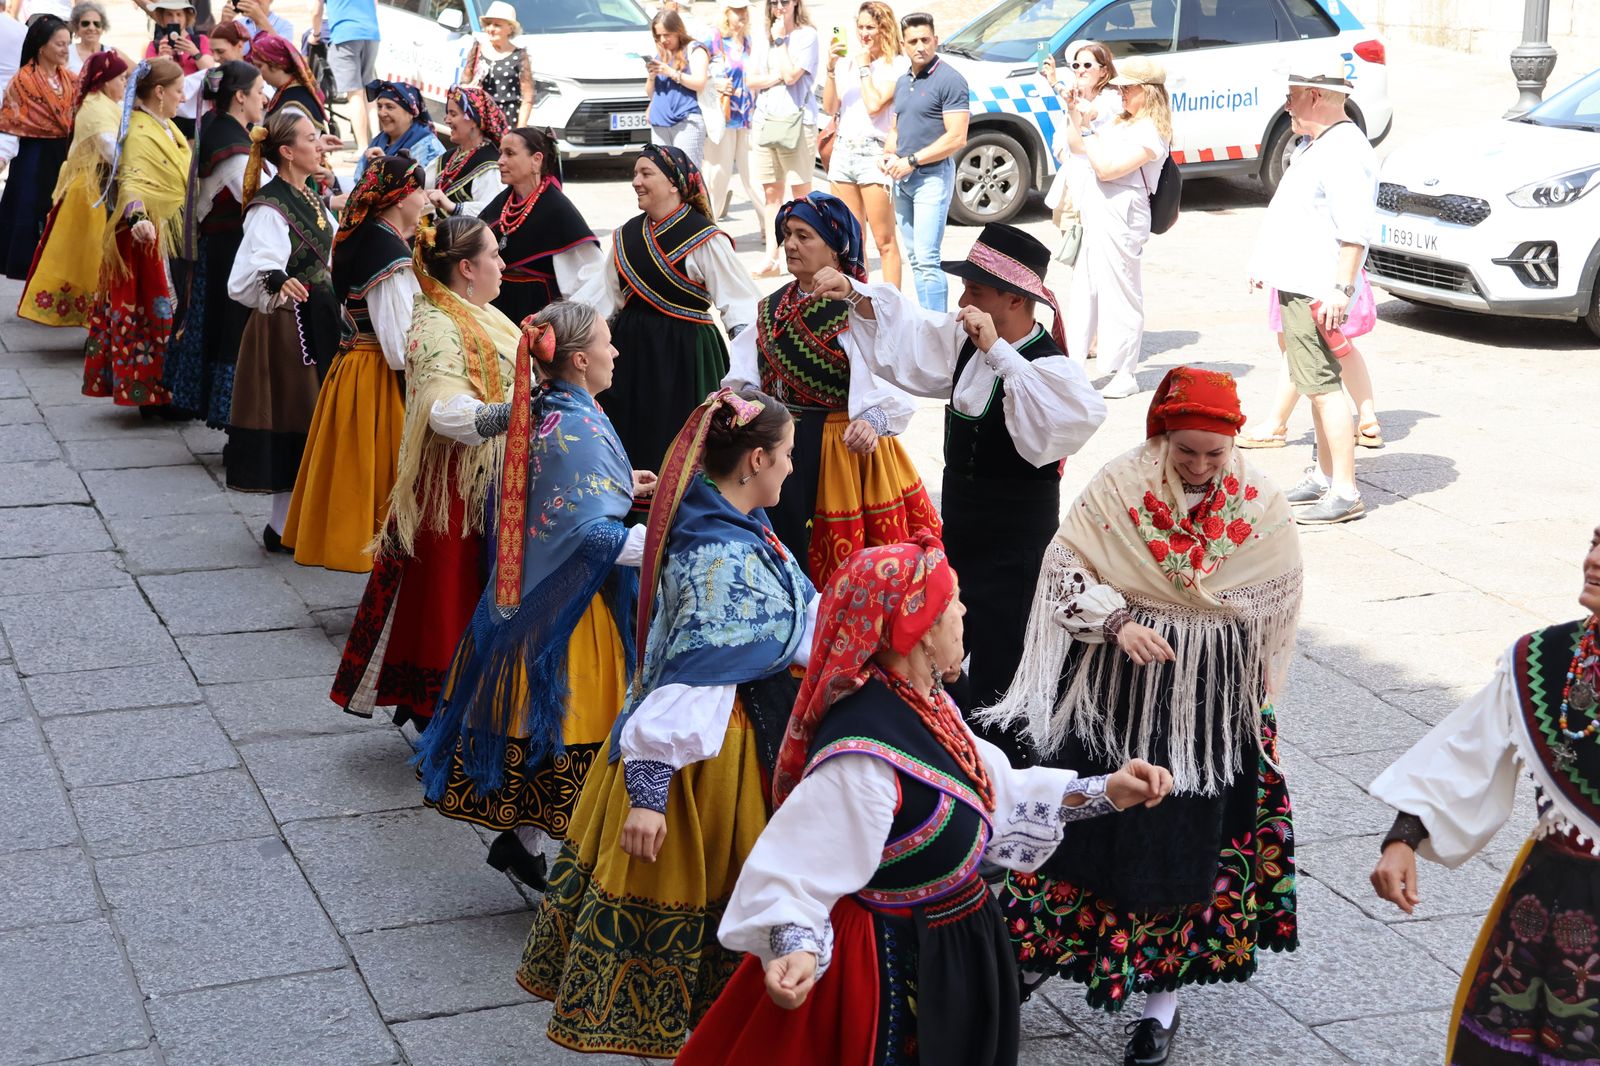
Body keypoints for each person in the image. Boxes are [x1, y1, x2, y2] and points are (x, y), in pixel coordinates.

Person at [678, 536, 1174, 1066]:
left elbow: (993, 787)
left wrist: (1105, 791)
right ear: (921, 631)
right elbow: (795, 868)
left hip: (955, 947)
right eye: (952, 602)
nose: (964, 611)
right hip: (894, 967)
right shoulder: (862, 758)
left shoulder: (923, 702)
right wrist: (796, 949)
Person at [980, 367, 1301, 1066]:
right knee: (1086, 827)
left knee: (1184, 840)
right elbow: (1065, 564)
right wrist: (1117, 619)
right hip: (1115, 691)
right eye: (1186, 450)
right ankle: (1033, 959)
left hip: (1205, 711)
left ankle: (1161, 1005)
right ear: (1158, 437)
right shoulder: (1120, 488)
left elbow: (1277, 590)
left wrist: (1216, 635)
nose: (1201, 466)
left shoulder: (1261, 501)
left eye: (1216, 453)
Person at [519, 386, 817, 1058]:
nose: (794, 469)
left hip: (718, 744)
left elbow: (797, 617)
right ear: (755, 460)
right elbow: (691, 680)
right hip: (704, 767)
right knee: (714, 921)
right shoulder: (722, 555)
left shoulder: (728, 523)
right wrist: (650, 797)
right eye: (789, 456)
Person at [810, 222, 1106, 759]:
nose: (962, 300)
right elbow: (913, 334)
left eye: (977, 291)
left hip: (1016, 546)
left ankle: (1011, 776)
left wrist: (1000, 353)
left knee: (1005, 658)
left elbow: (1061, 427)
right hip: (965, 532)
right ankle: (964, 758)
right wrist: (856, 292)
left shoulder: (1051, 367)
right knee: (956, 648)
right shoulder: (966, 343)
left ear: (1015, 301)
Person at [414, 303, 659, 890]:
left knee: (550, 733)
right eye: (607, 342)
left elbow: (567, 500)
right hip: (570, 613)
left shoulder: (555, 408)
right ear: (579, 360)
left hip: (540, 597)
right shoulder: (574, 424)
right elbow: (587, 534)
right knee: (579, 731)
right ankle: (574, 870)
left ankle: (523, 846)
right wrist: (661, 540)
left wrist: (625, 487)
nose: (616, 352)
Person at [1368, 523, 1600, 1066]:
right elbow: (1467, 751)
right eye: (1595, 542)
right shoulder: (1546, 660)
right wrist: (1403, 839)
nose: (1595, 561)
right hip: (1552, 894)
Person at [331, 214, 518, 731]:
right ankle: (445, 710)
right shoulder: (437, 323)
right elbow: (443, 409)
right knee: (446, 598)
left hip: (487, 477)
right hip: (454, 489)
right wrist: (513, 414)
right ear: (466, 268)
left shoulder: (480, 313)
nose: (502, 264)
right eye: (494, 255)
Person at [723, 191, 935, 587]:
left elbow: (889, 376)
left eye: (805, 236)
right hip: (773, 443)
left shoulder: (859, 307)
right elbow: (746, 372)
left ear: (836, 249)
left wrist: (872, 420)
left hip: (840, 448)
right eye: (787, 234)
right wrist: (738, 402)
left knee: (837, 562)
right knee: (780, 537)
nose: (790, 244)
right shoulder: (770, 306)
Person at [279, 155, 427, 573]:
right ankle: (384, 572)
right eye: (419, 191)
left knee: (360, 477)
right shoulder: (386, 250)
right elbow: (398, 346)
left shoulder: (369, 235)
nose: (426, 199)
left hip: (355, 366)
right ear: (400, 198)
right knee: (379, 479)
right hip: (376, 375)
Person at [573, 143, 757, 477]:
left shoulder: (704, 238)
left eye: (646, 173)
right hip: (630, 359)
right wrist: (563, 324)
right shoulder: (626, 236)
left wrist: (750, 369)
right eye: (634, 174)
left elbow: (739, 304)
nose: (636, 181)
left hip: (687, 356)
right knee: (631, 441)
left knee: (682, 447)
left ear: (674, 183)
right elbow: (601, 298)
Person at [1246, 58, 1376, 526]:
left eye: (1292, 94)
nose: (1286, 104)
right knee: (1312, 382)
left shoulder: (1341, 150)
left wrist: (1341, 287)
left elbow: (1353, 231)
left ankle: (1344, 490)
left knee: (1323, 388)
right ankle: (1324, 476)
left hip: (1317, 288)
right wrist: (1266, 266)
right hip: (1301, 283)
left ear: (1316, 96)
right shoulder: (1319, 144)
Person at [226, 110, 339, 551]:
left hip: (318, 321)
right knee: (295, 419)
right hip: (289, 330)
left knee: (309, 418)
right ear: (288, 152)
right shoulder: (269, 207)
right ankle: (282, 526)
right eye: (312, 139)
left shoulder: (307, 192)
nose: (320, 144)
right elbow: (248, 274)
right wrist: (276, 278)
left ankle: (295, 522)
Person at [1058, 55, 1170, 401]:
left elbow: (1108, 168)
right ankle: (1074, 365)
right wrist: (1075, 111)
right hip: (1098, 208)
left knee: (1121, 291)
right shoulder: (1122, 122)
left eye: (1128, 88)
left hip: (1124, 210)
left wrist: (1090, 129)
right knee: (1084, 289)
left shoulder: (1151, 131)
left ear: (1147, 92)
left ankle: (1125, 371)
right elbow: (1077, 148)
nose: (1121, 94)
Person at [79, 58, 189, 409]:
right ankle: (157, 395)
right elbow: (130, 181)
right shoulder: (142, 132)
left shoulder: (166, 127)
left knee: (164, 317)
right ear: (159, 92)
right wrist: (138, 217)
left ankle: (165, 392)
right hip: (151, 238)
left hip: (172, 231)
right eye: (177, 90)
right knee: (158, 319)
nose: (182, 97)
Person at [161, 60, 261, 426]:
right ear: (240, 97)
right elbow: (257, 198)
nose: (264, 98)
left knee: (213, 327)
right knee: (225, 331)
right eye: (259, 91)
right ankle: (227, 415)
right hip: (225, 252)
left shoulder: (224, 129)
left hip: (221, 249)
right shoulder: (231, 146)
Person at [17, 49, 125, 329]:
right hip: (90, 191)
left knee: (83, 256)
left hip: (93, 187)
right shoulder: (97, 108)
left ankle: (93, 316)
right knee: (88, 257)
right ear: (105, 81)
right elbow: (111, 151)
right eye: (121, 78)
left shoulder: (102, 103)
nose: (124, 84)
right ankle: (95, 318)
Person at [1239, 272, 1383, 450]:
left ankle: (1276, 424)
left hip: (1308, 279)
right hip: (1339, 278)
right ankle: (1367, 421)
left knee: (1296, 347)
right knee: (1341, 345)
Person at [882, 12, 967, 311]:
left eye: (926, 40)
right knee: (916, 259)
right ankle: (924, 322)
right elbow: (895, 128)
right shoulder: (903, 82)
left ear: (935, 40)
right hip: (903, 178)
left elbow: (957, 137)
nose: (920, 46)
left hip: (931, 176)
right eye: (913, 41)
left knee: (928, 259)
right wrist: (889, 155)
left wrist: (913, 161)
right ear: (903, 45)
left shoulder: (950, 80)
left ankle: (936, 327)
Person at [477, 126, 603, 324]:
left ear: (536, 159)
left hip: (537, 316)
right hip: (497, 311)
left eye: (510, 154)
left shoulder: (557, 210)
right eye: (501, 153)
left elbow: (588, 276)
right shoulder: (502, 203)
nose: (500, 161)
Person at [822, 1, 903, 287]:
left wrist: (865, 66)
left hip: (874, 151)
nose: (864, 34)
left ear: (885, 28)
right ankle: (861, 302)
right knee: (852, 240)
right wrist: (831, 69)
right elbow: (830, 106)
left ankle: (893, 308)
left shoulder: (896, 64)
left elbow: (875, 105)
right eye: (860, 27)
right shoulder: (847, 62)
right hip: (844, 148)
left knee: (884, 240)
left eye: (871, 27)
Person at [745, 0, 817, 279]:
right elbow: (751, 80)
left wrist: (780, 41)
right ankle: (771, 257)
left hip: (797, 122)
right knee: (771, 194)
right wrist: (775, 75)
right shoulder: (761, 38)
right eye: (773, 2)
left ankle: (809, 250)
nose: (778, 6)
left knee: (802, 194)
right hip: (765, 121)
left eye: (784, 1)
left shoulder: (806, 36)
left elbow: (791, 76)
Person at [0, 15, 76, 280]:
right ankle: (25, 270)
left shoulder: (69, 80)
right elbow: (10, 123)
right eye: (60, 44)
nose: (66, 49)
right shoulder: (23, 81)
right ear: (42, 47)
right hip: (33, 156)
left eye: (68, 43)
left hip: (61, 154)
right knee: (30, 209)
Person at [1040, 40, 1121, 281]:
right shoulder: (1077, 98)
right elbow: (1061, 141)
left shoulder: (1110, 100)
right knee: (1075, 256)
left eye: (1088, 64)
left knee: (1097, 260)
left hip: (1098, 188)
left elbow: (1089, 120)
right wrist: (1068, 159)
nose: (1081, 69)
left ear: (1104, 70)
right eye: (1076, 65)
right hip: (1071, 186)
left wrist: (1071, 100)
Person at [698, 0, 758, 222]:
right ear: (726, 13)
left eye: (745, 10)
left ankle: (769, 229)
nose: (743, 14)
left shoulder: (749, 42)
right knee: (717, 176)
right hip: (723, 118)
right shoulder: (714, 39)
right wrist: (714, 84)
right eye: (737, 10)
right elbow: (696, 72)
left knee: (754, 177)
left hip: (748, 117)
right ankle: (708, 226)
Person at [307, 0, 378, 148]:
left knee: (355, 93)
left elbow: (316, 12)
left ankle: (363, 148)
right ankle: (379, 141)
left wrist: (316, 34)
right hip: (371, 33)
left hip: (346, 34)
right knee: (368, 91)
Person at [426, 85, 505, 217]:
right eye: (447, 114)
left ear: (474, 120)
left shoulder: (490, 165)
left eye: (453, 114)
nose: (447, 120)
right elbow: (420, 187)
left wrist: (453, 207)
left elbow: (492, 211)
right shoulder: (448, 158)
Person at [646, 9, 709, 166]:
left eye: (667, 35)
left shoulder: (694, 49)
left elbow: (700, 83)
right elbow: (650, 94)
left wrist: (671, 73)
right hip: (659, 123)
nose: (663, 40)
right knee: (664, 175)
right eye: (658, 36)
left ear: (678, 31)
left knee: (686, 175)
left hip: (686, 121)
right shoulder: (661, 55)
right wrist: (652, 76)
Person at [350, 79, 443, 184]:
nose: (382, 113)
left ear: (411, 113)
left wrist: (385, 166)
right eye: (380, 106)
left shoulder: (428, 147)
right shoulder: (379, 141)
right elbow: (357, 181)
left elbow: (420, 191)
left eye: (389, 107)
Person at [460, 1, 532, 126]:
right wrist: (470, 89)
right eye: (488, 24)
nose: (491, 29)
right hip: (479, 119)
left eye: (497, 25)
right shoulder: (477, 50)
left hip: (507, 121)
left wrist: (521, 129)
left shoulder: (519, 56)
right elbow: (464, 84)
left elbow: (527, 98)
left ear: (510, 29)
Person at [252, 32, 328, 130]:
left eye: (259, 66)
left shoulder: (293, 103)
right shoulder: (286, 92)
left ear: (275, 65)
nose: (257, 72)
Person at [145, 0, 210, 83]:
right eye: (169, 14)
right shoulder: (154, 46)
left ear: (186, 16)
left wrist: (195, 53)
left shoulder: (200, 40)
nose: (174, 19)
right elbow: (148, 81)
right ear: (162, 17)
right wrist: (161, 60)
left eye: (179, 14)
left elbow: (212, 72)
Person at [65, 0, 104, 73]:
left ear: (103, 28)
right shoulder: (66, 53)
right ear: (76, 27)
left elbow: (132, 73)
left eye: (97, 24)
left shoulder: (111, 52)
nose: (92, 28)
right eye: (85, 23)